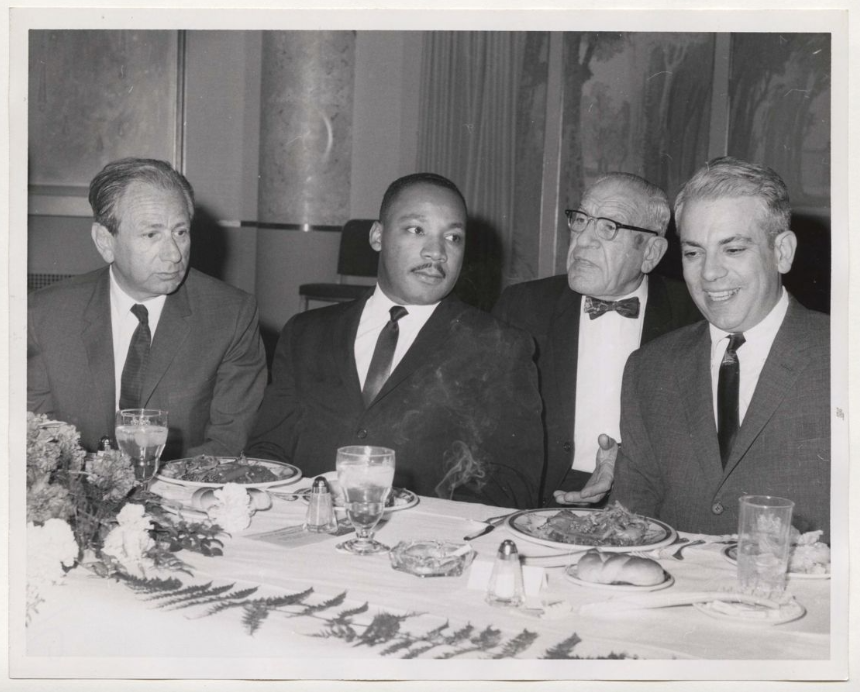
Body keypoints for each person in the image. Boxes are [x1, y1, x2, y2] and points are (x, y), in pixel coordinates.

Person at [246, 173, 543, 507]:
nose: (436, 252)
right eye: (416, 230)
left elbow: (511, 483)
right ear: (378, 236)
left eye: (454, 237)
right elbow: (267, 453)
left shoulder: (498, 347)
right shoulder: (306, 333)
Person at [608, 156, 830, 539]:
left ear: (782, 252)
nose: (709, 273)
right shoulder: (649, 368)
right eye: (693, 253)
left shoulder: (843, 356)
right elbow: (631, 519)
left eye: (733, 250)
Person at [28, 157, 268, 460]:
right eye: (152, 234)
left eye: (180, 232)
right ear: (105, 241)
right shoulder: (45, 314)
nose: (174, 254)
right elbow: (36, 440)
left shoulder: (231, 315)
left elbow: (230, 442)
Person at [493, 173, 701, 507]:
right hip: (537, 497)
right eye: (581, 220)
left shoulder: (694, 317)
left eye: (608, 227)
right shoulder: (522, 306)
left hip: (650, 502)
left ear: (650, 252)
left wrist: (632, 462)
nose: (583, 240)